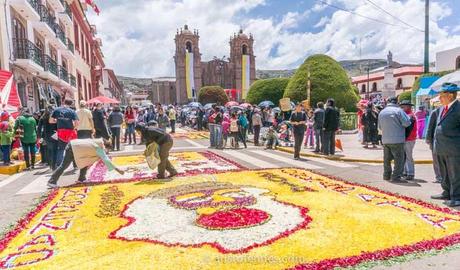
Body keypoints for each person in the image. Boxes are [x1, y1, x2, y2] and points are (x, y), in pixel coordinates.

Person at [47, 138, 123, 188]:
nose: (107, 152)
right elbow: (106, 160)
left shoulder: (98, 142)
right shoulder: (100, 147)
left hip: (73, 146)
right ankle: (52, 181)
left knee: (85, 161)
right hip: (72, 148)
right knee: (64, 166)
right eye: (108, 150)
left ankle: (82, 178)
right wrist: (118, 170)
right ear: (106, 147)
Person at [431, 83, 460, 207]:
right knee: (444, 174)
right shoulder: (442, 109)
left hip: (454, 148)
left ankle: (457, 197)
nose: (439, 98)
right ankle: (447, 192)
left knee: (455, 174)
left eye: (441, 95)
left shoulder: (458, 108)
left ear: (450, 95)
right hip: (441, 147)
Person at [378, 97, 411, 182]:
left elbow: (380, 127)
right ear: (397, 102)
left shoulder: (382, 112)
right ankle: (396, 177)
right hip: (397, 140)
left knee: (386, 159)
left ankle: (386, 175)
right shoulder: (399, 111)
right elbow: (407, 123)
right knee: (399, 160)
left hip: (385, 139)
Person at [50, 99, 79, 167]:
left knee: (61, 149)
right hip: (70, 132)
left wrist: (57, 121)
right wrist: (73, 128)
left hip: (61, 132)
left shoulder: (57, 110)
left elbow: (51, 121)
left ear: (63, 102)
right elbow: (77, 123)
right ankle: (75, 164)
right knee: (73, 148)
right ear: (71, 104)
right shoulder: (72, 111)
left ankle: (59, 165)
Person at [400, 100, 417, 181]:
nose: (402, 108)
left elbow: (408, 129)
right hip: (408, 138)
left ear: (409, 107)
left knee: (408, 156)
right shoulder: (408, 115)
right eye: (401, 106)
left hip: (409, 139)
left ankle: (410, 173)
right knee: (405, 156)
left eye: (404, 106)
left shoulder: (410, 116)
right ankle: (406, 171)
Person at [425, 107, 442, 183]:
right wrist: (428, 138)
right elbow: (430, 126)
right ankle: (439, 177)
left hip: (449, 142)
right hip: (435, 140)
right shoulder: (435, 112)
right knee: (436, 160)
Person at [37, 105, 58, 170]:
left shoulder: (43, 117)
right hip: (54, 135)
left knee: (49, 150)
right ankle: (54, 165)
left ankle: (51, 165)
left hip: (46, 136)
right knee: (55, 150)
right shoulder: (54, 117)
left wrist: (39, 136)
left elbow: (39, 128)